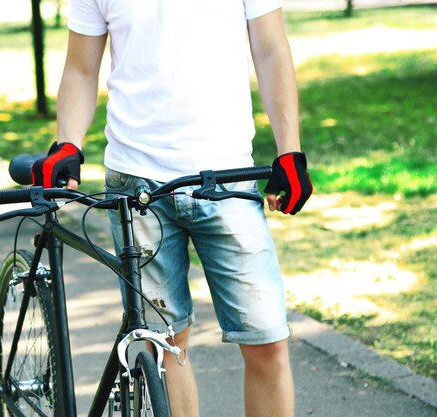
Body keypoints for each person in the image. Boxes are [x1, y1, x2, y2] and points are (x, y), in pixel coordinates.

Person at [31, 1, 313, 416]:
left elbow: (271, 50)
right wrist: (68, 142)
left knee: (267, 342)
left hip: (227, 182)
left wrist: (290, 151)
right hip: (136, 185)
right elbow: (81, 68)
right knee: (165, 348)